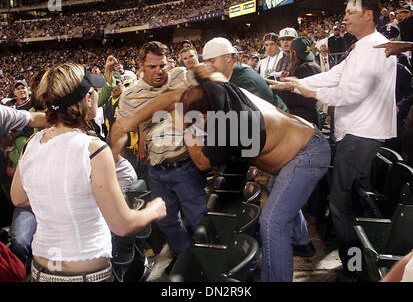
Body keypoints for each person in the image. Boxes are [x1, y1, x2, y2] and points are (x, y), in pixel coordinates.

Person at [113, 65, 331, 282]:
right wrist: (129, 121)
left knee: (273, 222)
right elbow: (173, 97)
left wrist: (187, 128)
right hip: (302, 140)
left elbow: (200, 162)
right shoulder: (218, 92)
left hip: (306, 154)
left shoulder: (231, 129)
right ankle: (302, 242)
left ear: (206, 118)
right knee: (279, 194)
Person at [274, 0, 397, 280]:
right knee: (350, 206)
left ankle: (355, 270)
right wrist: (294, 84)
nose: (344, 17)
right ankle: (359, 265)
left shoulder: (377, 46)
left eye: (350, 12)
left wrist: (309, 91)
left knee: (342, 207)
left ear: (368, 14)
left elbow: (353, 92)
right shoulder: (363, 46)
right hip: (355, 135)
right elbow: (335, 75)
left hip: (361, 136)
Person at [10, 63, 166, 282]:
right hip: (85, 274)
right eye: (92, 90)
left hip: (41, 270)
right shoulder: (92, 148)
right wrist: (153, 210)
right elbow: (123, 224)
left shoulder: (32, 142)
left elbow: (18, 197)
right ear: (84, 99)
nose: (95, 94)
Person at [109, 41, 207, 265]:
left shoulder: (181, 75)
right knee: (166, 220)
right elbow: (122, 129)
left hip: (185, 162)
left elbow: (206, 94)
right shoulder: (130, 96)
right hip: (156, 167)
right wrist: (115, 157)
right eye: (152, 67)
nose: (159, 71)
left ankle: (210, 261)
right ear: (141, 65)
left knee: (198, 217)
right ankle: (187, 261)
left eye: (162, 65)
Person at [201, 37, 288, 112]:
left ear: (227, 58)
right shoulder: (228, 74)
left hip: (282, 127)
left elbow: (245, 121)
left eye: (212, 61)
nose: (208, 66)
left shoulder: (246, 80)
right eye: (205, 62)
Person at [270, 36, 321, 128]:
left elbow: (298, 98)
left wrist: (282, 88)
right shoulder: (314, 67)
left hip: (303, 121)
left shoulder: (304, 69)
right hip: (310, 118)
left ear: (293, 53)